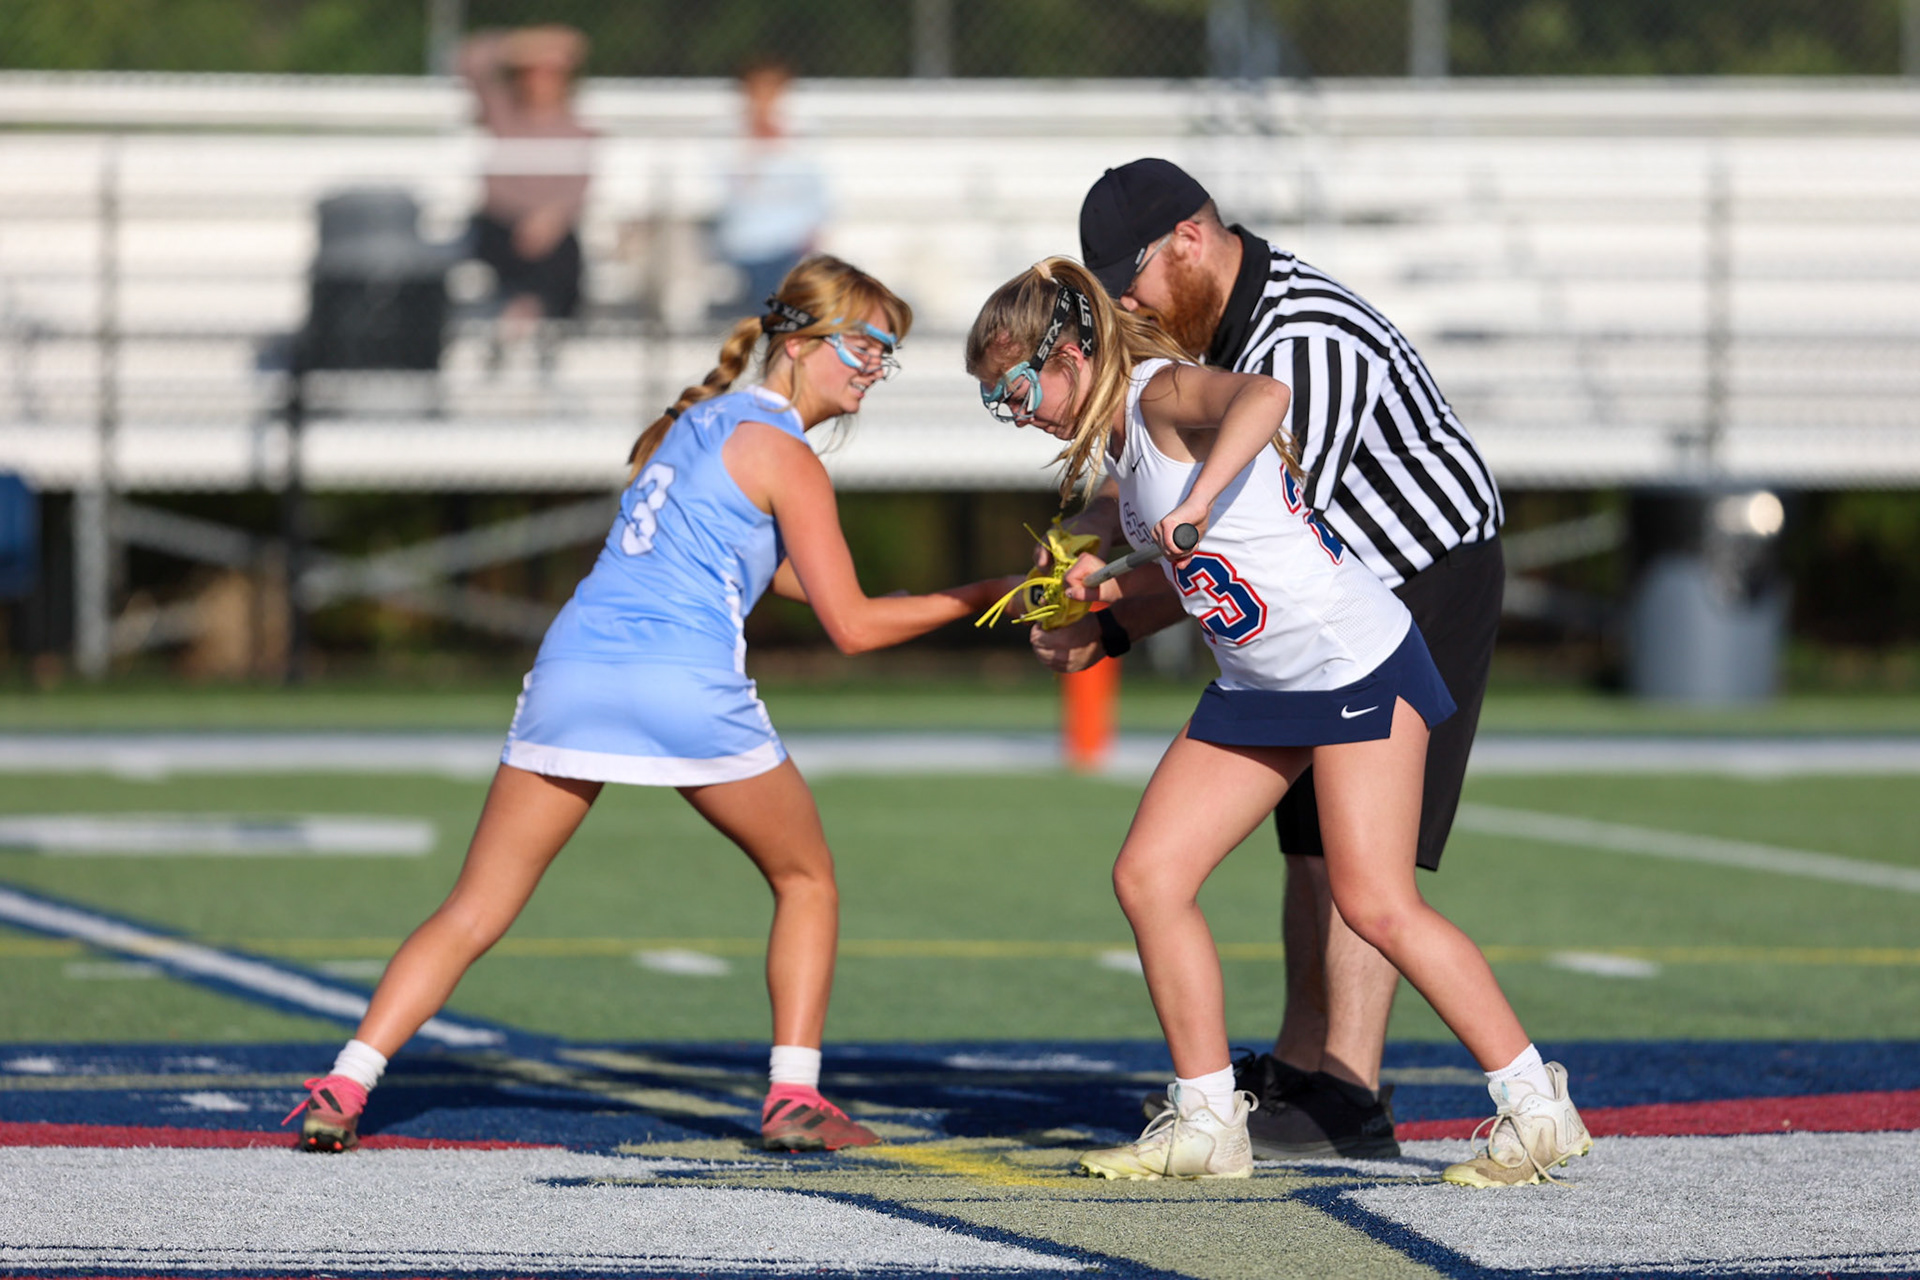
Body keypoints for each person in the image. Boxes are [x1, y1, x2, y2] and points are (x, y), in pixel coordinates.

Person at [283, 255, 1023, 1156]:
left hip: (573, 672)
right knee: (806, 879)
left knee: (474, 908)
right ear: (798, 342)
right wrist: (998, 592)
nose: (876, 367)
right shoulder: (787, 455)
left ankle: (345, 1082)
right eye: (865, 345)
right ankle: (794, 1097)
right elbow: (855, 627)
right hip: (680, 681)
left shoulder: (693, 422)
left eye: (887, 353)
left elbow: (751, 565)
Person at [967, 257, 1588, 1187]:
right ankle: (1210, 1121)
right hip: (1263, 684)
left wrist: (1203, 500)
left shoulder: (1164, 392)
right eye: (995, 401)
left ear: (1075, 349)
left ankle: (1538, 1107)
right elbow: (1170, 560)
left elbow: (1266, 393)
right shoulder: (1123, 453)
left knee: (1375, 903)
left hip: (1353, 665)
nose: (1016, 410)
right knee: (1149, 874)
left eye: (1017, 385)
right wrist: (1094, 614)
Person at [1031, 158, 1506, 1162]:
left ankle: (1351, 1087)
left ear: (1189, 241)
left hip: (1420, 572)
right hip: (1331, 582)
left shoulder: (1301, 341)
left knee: (1363, 858)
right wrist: (1094, 564)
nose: (1124, 303)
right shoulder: (1211, 330)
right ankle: (1301, 1060)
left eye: (1133, 278)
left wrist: (1112, 620)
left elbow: (1250, 549)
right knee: (1305, 837)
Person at [459, 26, 596, 352]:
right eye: (532, 70)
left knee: (563, 255)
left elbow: (577, 191)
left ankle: (525, 322)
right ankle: (527, 321)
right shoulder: (504, 115)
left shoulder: (579, 131)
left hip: (552, 231)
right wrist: (524, 45)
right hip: (500, 223)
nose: (540, 79)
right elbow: (469, 61)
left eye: (551, 71)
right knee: (506, 242)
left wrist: (549, 218)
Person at [713, 56, 829, 319]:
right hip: (743, 243)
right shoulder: (727, 135)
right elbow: (727, 189)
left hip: (791, 243)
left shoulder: (802, 134)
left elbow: (816, 190)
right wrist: (755, 146)